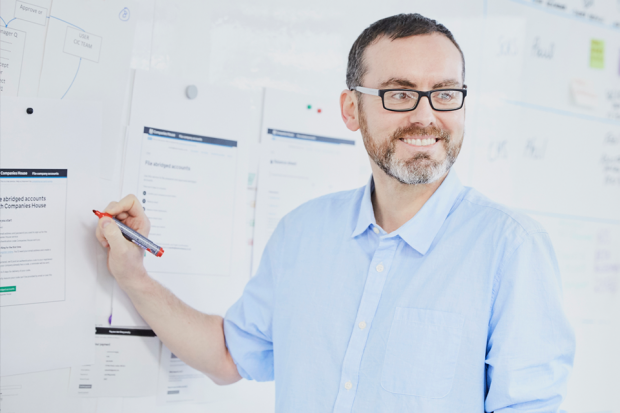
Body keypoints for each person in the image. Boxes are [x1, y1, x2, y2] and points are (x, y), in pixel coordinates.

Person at [96, 13, 575, 412]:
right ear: (351, 109)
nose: (426, 115)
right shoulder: (302, 234)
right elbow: (227, 354)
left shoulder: (511, 249)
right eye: (399, 94)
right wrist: (132, 275)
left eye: (445, 93)